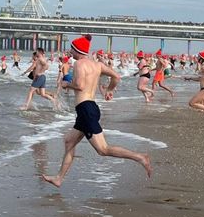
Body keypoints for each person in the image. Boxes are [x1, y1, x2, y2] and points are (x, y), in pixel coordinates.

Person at [41, 36, 152, 188]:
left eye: (72, 48)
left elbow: (79, 85)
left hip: (86, 110)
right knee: (69, 141)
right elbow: (116, 76)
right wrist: (109, 90)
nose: (70, 51)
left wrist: (66, 84)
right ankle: (59, 178)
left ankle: (140, 157)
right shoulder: (97, 65)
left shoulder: (79, 64)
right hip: (89, 108)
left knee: (103, 149)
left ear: (78, 50)